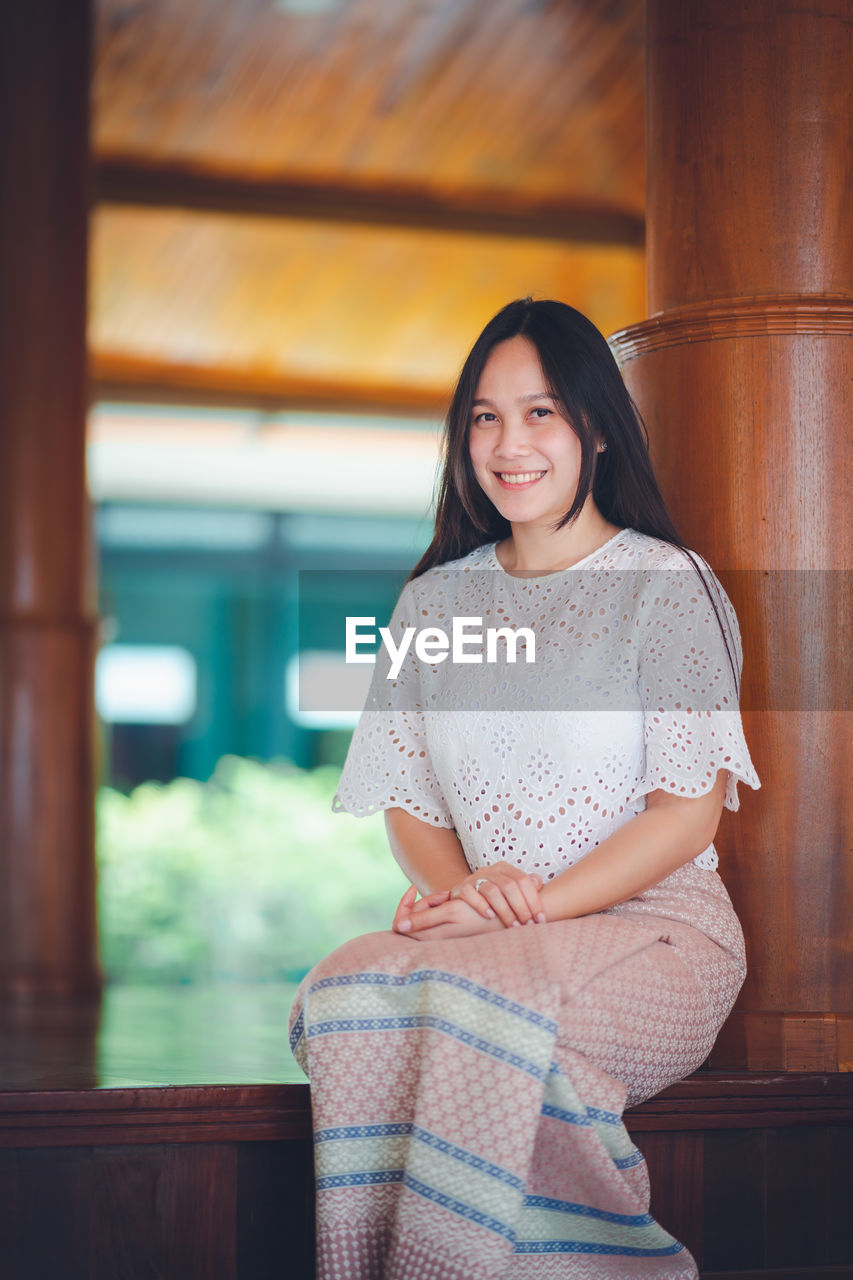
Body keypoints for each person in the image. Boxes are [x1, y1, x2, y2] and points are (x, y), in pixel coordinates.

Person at [289, 297, 761, 1279]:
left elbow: (687, 812)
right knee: (342, 988)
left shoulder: (664, 585)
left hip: (658, 933)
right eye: (484, 417)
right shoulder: (435, 602)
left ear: (593, 425)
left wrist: (528, 907)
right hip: (489, 932)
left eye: (539, 412)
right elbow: (409, 803)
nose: (509, 443)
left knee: (476, 1007)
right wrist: (471, 898)